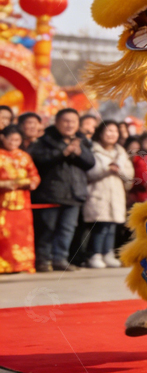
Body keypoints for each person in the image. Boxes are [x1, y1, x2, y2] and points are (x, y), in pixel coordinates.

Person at [30, 108, 96, 272]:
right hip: (50, 193)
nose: (69, 125)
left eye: (73, 121)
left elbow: (91, 163)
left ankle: (60, 259)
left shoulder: (81, 141)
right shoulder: (45, 140)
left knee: (67, 229)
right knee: (47, 228)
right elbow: (39, 159)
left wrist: (79, 153)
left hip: (74, 192)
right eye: (65, 121)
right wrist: (63, 152)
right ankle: (43, 260)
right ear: (57, 122)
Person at [83, 121, 134, 268]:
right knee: (100, 226)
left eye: (115, 131)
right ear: (100, 133)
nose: (112, 134)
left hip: (116, 193)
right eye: (108, 131)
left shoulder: (122, 153)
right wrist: (106, 169)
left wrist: (119, 170)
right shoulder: (93, 150)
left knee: (112, 226)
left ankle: (108, 253)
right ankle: (94, 254)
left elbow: (130, 176)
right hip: (98, 192)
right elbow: (88, 173)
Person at [0, 126, 40, 273]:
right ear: (2, 138)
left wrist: (29, 182)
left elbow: (34, 175)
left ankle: (22, 264)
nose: (13, 142)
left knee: (22, 234)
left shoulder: (24, 156)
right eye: (10, 139)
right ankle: (4, 265)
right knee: (3, 234)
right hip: (2, 203)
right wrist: (4, 184)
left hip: (22, 203)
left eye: (17, 140)